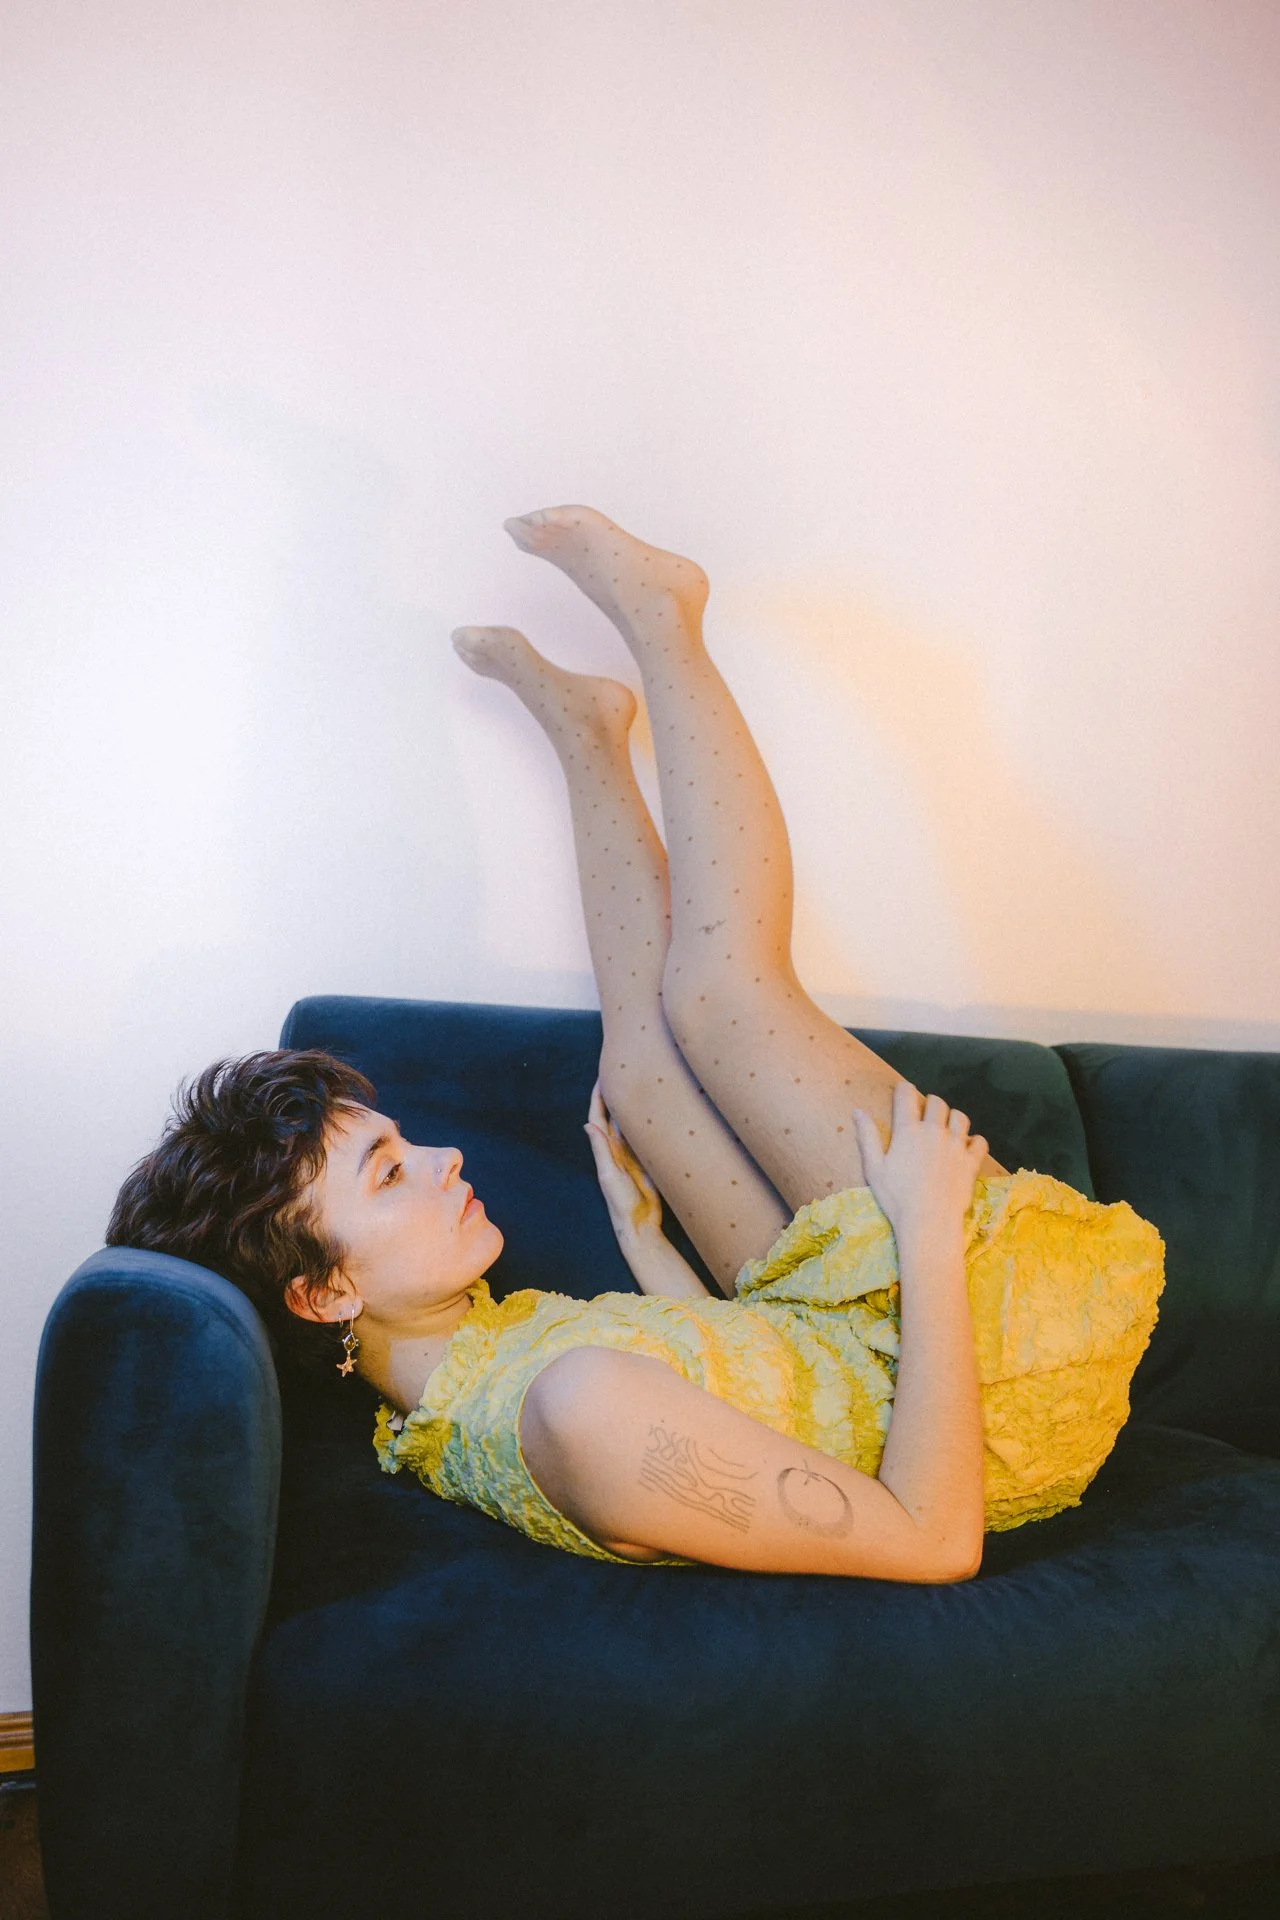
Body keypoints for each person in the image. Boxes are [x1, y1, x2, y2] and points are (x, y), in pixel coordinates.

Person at [107, 504, 1165, 1583]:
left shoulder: (453, 1396)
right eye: (387, 1173)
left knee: (641, 1080)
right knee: (721, 996)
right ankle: (667, 620)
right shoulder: (570, 1409)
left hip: (852, 1347)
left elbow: (737, 1402)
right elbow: (929, 1540)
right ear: (324, 1295)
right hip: (998, 1380)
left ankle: (587, 734)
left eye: (400, 1145)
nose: (444, 1158)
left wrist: (645, 1239)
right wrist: (926, 1233)